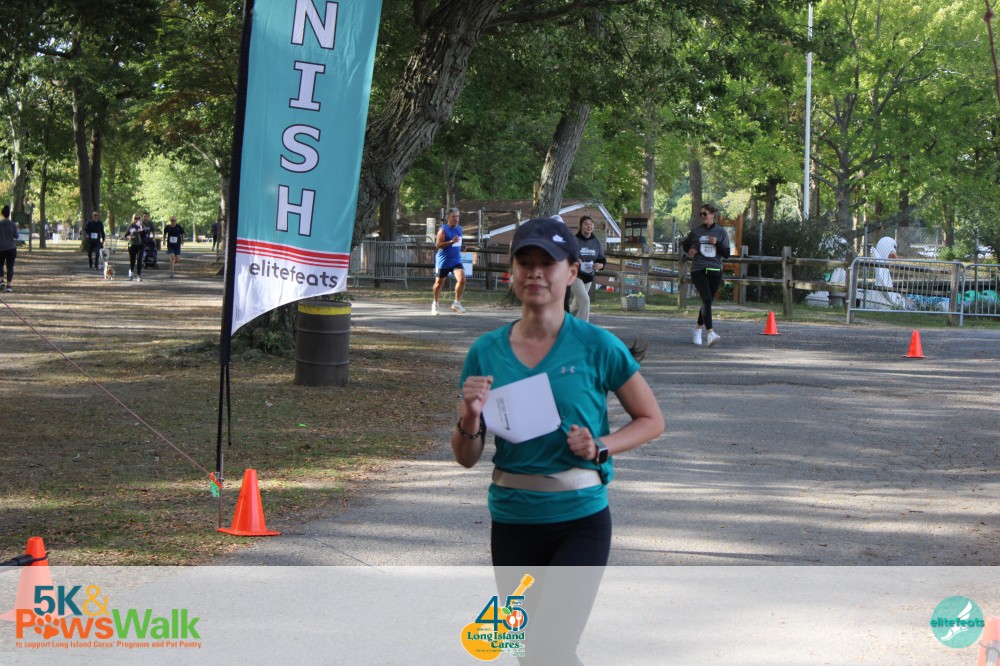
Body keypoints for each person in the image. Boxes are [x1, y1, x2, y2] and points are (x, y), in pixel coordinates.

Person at [452, 217, 664, 663]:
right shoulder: (486, 351)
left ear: (571, 272)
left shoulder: (597, 346)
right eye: (524, 263)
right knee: (525, 650)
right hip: (512, 519)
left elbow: (651, 420)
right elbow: (467, 456)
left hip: (580, 520)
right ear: (511, 272)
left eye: (547, 264)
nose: (535, 273)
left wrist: (601, 445)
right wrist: (470, 416)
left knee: (551, 647)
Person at [683, 203, 730, 347]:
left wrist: (717, 244)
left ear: (712, 215)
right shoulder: (696, 231)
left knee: (707, 302)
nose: (702, 216)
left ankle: (697, 329)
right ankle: (710, 333)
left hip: (715, 270)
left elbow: (726, 254)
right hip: (699, 269)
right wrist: (689, 249)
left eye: (705, 214)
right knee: (707, 299)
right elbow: (685, 244)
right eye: (701, 214)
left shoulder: (721, 232)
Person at [568, 215, 605, 321]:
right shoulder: (574, 240)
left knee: (576, 306)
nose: (589, 226)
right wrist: (575, 260)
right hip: (575, 275)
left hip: (588, 276)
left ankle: (562, 322)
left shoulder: (596, 242)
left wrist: (600, 265)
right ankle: (583, 327)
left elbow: (601, 259)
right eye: (586, 224)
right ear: (581, 226)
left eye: (591, 224)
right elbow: (566, 255)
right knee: (585, 300)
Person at [432, 207, 467, 314]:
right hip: (443, 261)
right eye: (453, 216)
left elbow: (458, 242)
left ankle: (456, 303)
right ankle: (435, 304)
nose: (456, 219)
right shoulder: (443, 230)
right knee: (439, 283)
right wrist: (451, 241)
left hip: (456, 260)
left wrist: (462, 247)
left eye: (457, 216)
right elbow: (438, 245)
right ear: (448, 218)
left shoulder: (459, 228)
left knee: (462, 280)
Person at [125, 214, 148, 282]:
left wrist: (141, 228)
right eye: (135, 218)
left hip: (140, 245)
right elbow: (126, 235)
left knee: (139, 259)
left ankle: (138, 275)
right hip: (132, 245)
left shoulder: (142, 226)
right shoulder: (131, 226)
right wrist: (129, 237)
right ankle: (131, 274)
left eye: (138, 218)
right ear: (133, 219)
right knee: (132, 260)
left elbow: (145, 234)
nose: (137, 219)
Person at [0, 205, 18, 292]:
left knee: (0, 265)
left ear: (2, 214)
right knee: (10, 267)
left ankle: (1, 280)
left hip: (1, 248)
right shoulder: (12, 224)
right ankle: (9, 285)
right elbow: (16, 236)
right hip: (11, 248)